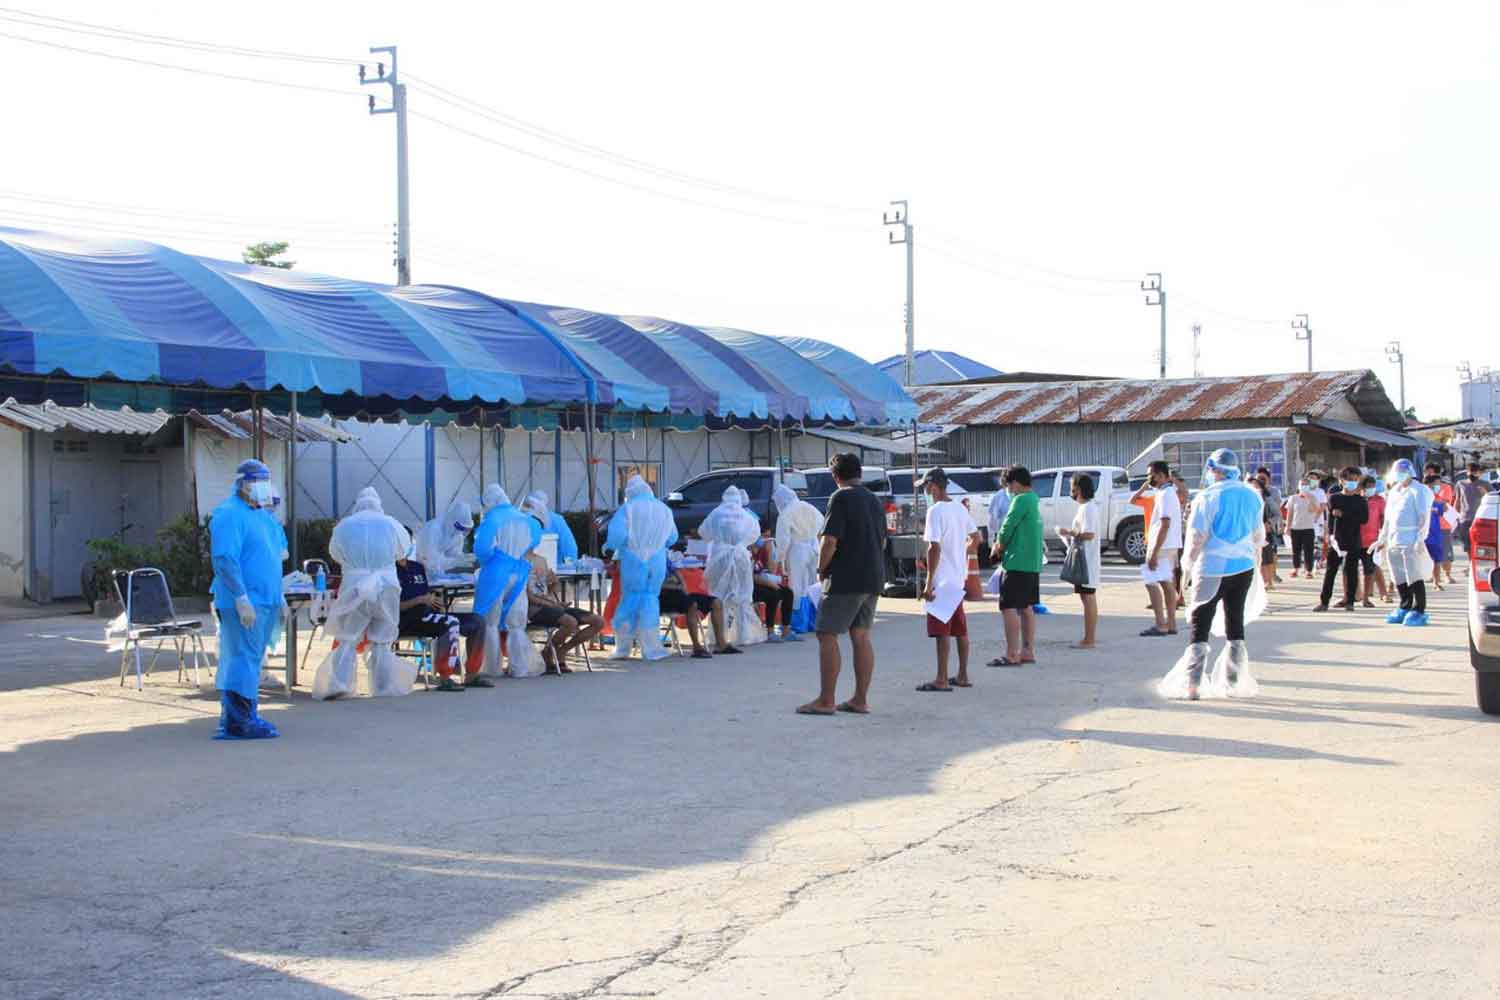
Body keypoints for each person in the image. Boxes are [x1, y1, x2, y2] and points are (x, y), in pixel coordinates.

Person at [1158, 448, 1266, 701]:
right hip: (1243, 567)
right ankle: (1232, 681)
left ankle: (1193, 684)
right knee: (1235, 621)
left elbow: (1197, 536)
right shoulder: (1252, 496)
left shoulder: (1207, 497)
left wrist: (1186, 565)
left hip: (1212, 567)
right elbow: (1258, 536)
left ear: (1215, 470)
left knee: (1200, 622)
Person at [798, 453, 884, 716]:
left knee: (826, 633)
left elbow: (830, 540)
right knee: (861, 636)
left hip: (846, 577)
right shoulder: (873, 499)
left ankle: (826, 700)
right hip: (873, 576)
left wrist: (820, 568)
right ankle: (860, 699)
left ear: (835, 476)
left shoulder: (841, 497)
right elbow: (882, 541)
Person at [310, 487, 416, 699]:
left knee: (348, 636)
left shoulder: (344, 526)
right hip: (386, 586)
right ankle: (383, 686)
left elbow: (335, 553)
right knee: (382, 638)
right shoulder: (391, 524)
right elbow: (403, 551)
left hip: (355, 586)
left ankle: (340, 683)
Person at [208, 459, 286, 740]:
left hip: (264, 599)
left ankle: (239, 715)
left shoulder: (261, 515)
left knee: (251, 658)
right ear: (242, 484)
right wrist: (240, 597)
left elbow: (274, 554)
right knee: (243, 657)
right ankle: (239, 721)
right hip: (243, 600)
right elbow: (225, 559)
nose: (261, 488)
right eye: (256, 482)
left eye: (265, 481)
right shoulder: (229, 514)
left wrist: (279, 596)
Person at [603, 474, 679, 660]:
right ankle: (651, 648)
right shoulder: (664, 509)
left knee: (629, 599)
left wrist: (609, 548)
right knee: (650, 600)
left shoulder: (627, 509)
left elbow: (616, 536)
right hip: (657, 560)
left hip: (633, 559)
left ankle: (623, 648)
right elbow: (672, 537)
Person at [473, 484, 544, 677]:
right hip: (519, 572)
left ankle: (490, 667)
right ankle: (520, 667)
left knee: (490, 622)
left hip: (495, 573)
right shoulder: (526, 519)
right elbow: (535, 540)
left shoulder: (492, 519)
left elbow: (482, 549)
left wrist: (489, 561)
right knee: (516, 623)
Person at [916, 468, 978, 692]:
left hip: (942, 580)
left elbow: (934, 547)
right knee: (960, 629)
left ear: (933, 486)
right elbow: (976, 536)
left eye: (925, 487)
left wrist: (928, 581)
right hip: (957, 578)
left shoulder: (935, 511)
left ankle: (941, 678)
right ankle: (962, 674)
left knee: (941, 631)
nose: (925, 492)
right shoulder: (960, 509)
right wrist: (961, 554)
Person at [394, 552, 489, 691]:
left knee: (477, 621)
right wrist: (420, 600)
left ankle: (472, 674)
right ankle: (445, 677)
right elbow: (393, 605)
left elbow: (428, 594)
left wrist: (437, 603)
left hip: (429, 615)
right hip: (408, 619)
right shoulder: (389, 570)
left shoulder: (417, 567)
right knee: (450, 623)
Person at [989, 465, 1043, 666]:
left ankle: (1012, 653)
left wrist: (998, 547)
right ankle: (1028, 651)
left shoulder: (1020, 500)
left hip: (1017, 560)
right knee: (1026, 606)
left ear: (1016, 483)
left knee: (1009, 606)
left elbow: (1007, 525)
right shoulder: (1034, 500)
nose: (1008, 490)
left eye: (1009, 485)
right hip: (1032, 562)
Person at [700, 485, 766, 648]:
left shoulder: (716, 513)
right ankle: (745, 635)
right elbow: (755, 534)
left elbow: (704, 532)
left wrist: (719, 540)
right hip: (740, 557)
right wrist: (740, 543)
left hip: (719, 557)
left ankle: (718, 637)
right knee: (743, 596)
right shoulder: (746, 516)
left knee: (718, 597)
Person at [1372, 458, 1434, 627]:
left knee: (1413, 574)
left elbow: (1423, 516)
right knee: (1397, 574)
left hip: (1411, 537)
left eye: (1402, 471)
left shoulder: (1419, 490)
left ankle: (1419, 609)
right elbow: (1388, 518)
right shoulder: (1394, 492)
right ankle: (1404, 605)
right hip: (1394, 537)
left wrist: (1420, 538)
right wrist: (1382, 538)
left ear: (1410, 472)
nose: (1399, 475)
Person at [525, 549, 603, 673]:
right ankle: (550, 653)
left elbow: (548, 590)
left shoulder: (541, 560)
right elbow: (528, 596)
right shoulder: (518, 561)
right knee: (570, 622)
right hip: (534, 609)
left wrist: (554, 582)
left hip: (551, 605)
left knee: (598, 621)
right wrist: (552, 604)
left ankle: (560, 651)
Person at [1133, 460, 1181, 637]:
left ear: (1161, 475)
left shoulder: (1166, 494)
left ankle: (1161, 624)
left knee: (1151, 581)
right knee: (1166, 582)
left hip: (1162, 544)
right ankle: (1171, 623)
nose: (1149, 478)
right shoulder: (1165, 492)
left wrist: (1153, 552)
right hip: (1169, 544)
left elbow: (1165, 524)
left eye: (1150, 475)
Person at [772, 483, 824, 636]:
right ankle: (814, 621)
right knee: (812, 585)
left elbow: (783, 540)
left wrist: (779, 560)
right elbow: (822, 525)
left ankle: (798, 623)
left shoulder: (786, 513)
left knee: (797, 587)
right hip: (814, 547)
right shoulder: (808, 506)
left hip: (797, 550)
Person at [1057, 472, 1101, 649]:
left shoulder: (1088, 508)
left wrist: (1069, 532)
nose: (1071, 491)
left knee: (1088, 597)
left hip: (1087, 560)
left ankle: (1089, 639)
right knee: (1085, 596)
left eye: (1072, 487)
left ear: (1080, 488)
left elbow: (1089, 534)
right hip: (1084, 558)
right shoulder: (1085, 508)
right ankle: (1088, 637)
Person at [1315, 466, 1368, 613]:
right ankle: (1324, 602)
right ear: (1341, 481)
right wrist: (1330, 536)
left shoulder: (1361, 500)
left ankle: (1350, 601)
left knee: (1351, 571)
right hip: (1337, 540)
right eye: (1349, 480)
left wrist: (1344, 514)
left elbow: (1364, 519)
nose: (1352, 483)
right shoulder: (1334, 497)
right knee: (1330, 571)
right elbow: (1331, 518)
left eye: (1356, 480)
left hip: (1353, 539)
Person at [660, 557, 735, 657]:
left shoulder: (664, 556)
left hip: (677, 591)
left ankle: (721, 644)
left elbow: (675, 571)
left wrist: (681, 586)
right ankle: (697, 647)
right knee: (692, 604)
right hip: (662, 594)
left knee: (716, 602)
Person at [751, 530, 796, 641]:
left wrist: (770, 551)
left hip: (762, 582)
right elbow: (751, 577)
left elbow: (772, 570)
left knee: (788, 592)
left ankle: (786, 630)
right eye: (764, 536)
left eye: (768, 536)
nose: (767, 539)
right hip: (749, 586)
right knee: (773, 594)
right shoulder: (746, 551)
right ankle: (770, 632)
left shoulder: (763, 550)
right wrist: (771, 585)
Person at [411, 500, 474, 576]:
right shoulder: (433, 529)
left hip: (438, 574)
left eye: (465, 529)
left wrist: (463, 558)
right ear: (452, 521)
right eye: (460, 527)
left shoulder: (456, 534)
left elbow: (453, 555)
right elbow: (431, 562)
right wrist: (455, 562)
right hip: (418, 569)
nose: (461, 531)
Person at [1357, 475, 1391, 606]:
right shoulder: (1357, 499)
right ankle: (1358, 594)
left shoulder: (1379, 500)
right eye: (1368, 487)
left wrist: (1382, 539)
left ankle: (1383, 593)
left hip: (1372, 540)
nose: (1371, 489)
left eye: (1373, 487)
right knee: (1352, 568)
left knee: (1373, 567)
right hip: (1355, 538)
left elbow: (1384, 520)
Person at [523, 491, 580, 563]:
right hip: (553, 568)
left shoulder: (521, 519)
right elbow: (569, 548)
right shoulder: (557, 520)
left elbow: (569, 548)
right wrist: (568, 566)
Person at [1285, 477, 1322, 578]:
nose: (1303, 486)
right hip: (1295, 527)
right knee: (1295, 550)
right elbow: (1290, 513)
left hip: (1308, 528)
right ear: (1298, 485)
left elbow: (1314, 510)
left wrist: (1309, 499)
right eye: (1302, 484)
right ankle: (1296, 568)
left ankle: (1308, 570)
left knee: (1308, 550)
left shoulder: (1313, 497)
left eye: (1306, 484)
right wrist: (1287, 526)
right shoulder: (1293, 498)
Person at [1423, 475, 1455, 590]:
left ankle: (1436, 582)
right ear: (1429, 484)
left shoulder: (1436, 501)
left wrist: (1437, 502)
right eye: (1437, 484)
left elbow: (1446, 509)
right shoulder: (1418, 498)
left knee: (1436, 559)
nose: (1439, 487)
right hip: (1421, 535)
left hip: (1435, 534)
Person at [1456, 462, 1490, 563]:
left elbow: (1493, 498)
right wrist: (1454, 516)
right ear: (1467, 472)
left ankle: (1476, 564)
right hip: (1464, 518)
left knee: (1480, 544)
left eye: (1475, 472)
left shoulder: (1485, 484)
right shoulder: (1460, 484)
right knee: (1466, 544)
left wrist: (1485, 493)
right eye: (1471, 471)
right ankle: (1471, 564)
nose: (1473, 474)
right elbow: (1457, 500)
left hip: (1480, 518)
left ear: (1479, 473)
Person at [1248, 478, 1277, 591]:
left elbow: (1276, 514)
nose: (1253, 488)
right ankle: (1257, 582)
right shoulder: (1244, 500)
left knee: (1266, 557)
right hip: (1249, 532)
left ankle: (1268, 581)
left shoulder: (1266, 499)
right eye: (1250, 485)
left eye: (1256, 485)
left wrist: (1269, 523)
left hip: (1264, 531)